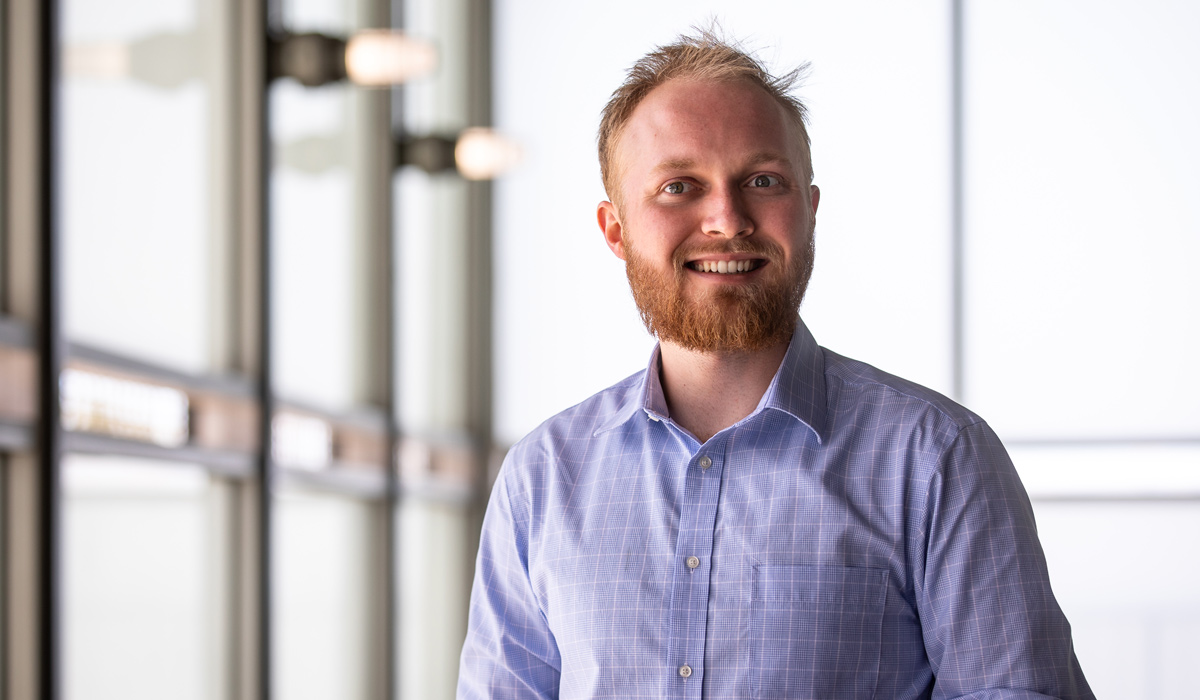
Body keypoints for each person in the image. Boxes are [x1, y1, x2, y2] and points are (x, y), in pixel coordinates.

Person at [458, 30, 1093, 700]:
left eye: (762, 181)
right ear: (615, 230)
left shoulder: (936, 458)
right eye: (679, 186)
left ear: (808, 211)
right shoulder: (542, 477)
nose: (728, 219)